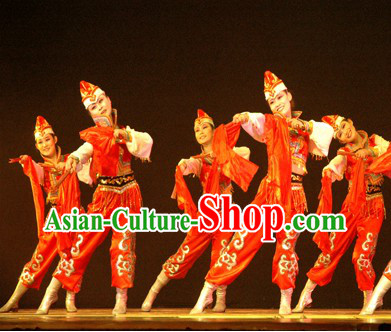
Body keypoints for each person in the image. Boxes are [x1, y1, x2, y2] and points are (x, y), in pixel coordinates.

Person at [191, 71, 334, 315]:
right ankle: (207, 291)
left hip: (294, 193)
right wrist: (246, 117)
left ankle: (285, 301)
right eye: (272, 101)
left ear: (289, 96)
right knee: (242, 240)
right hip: (270, 191)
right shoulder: (270, 124)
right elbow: (259, 120)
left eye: (281, 97)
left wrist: (304, 125)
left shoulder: (306, 127)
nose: (278, 103)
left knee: (286, 248)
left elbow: (326, 133)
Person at [36, 81, 153, 315]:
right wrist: (74, 159)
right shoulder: (95, 137)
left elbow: (146, 142)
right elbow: (84, 150)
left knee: (123, 246)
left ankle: (121, 297)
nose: (99, 107)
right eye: (93, 106)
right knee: (81, 243)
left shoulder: (127, 131)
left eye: (101, 101)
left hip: (128, 194)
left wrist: (126, 134)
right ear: (89, 113)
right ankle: (52, 291)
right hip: (104, 196)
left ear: (109, 101)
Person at [141, 110, 258, 312]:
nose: (200, 132)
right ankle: (152, 292)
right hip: (208, 215)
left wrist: (223, 152)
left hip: (227, 214)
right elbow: (190, 166)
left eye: (205, 127)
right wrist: (184, 165)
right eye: (197, 130)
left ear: (215, 131)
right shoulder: (199, 160)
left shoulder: (229, 153)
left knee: (220, 257)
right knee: (184, 253)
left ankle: (220, 300)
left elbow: (246, 152)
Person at [293, 115, 389, 313]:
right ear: (341, 140)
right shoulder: (344, 153)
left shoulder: (375, 140)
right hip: (351, 209)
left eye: (344, 126)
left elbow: (388, 150)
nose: (345, 132)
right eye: (340, 134)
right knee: (330, 250)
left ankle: (370, 299)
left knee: (361, 257)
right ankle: (306, 293)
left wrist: (369, 151)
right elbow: (336, 163)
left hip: (373, 209)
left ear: (351, 122)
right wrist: (328, 171)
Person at [0, 116, 83, 313]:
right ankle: (14, 299)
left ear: (55, 139)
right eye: (40, 142)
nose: (44, 144)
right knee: (38, 259)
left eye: (47, 139)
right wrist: (26, 163)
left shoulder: (72, 159)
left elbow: (89, 169)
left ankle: (69, 298)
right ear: (37, 147)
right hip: (55, 219)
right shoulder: (42, 168)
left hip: (75, 216)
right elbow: (34, 171)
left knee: (73, 257)